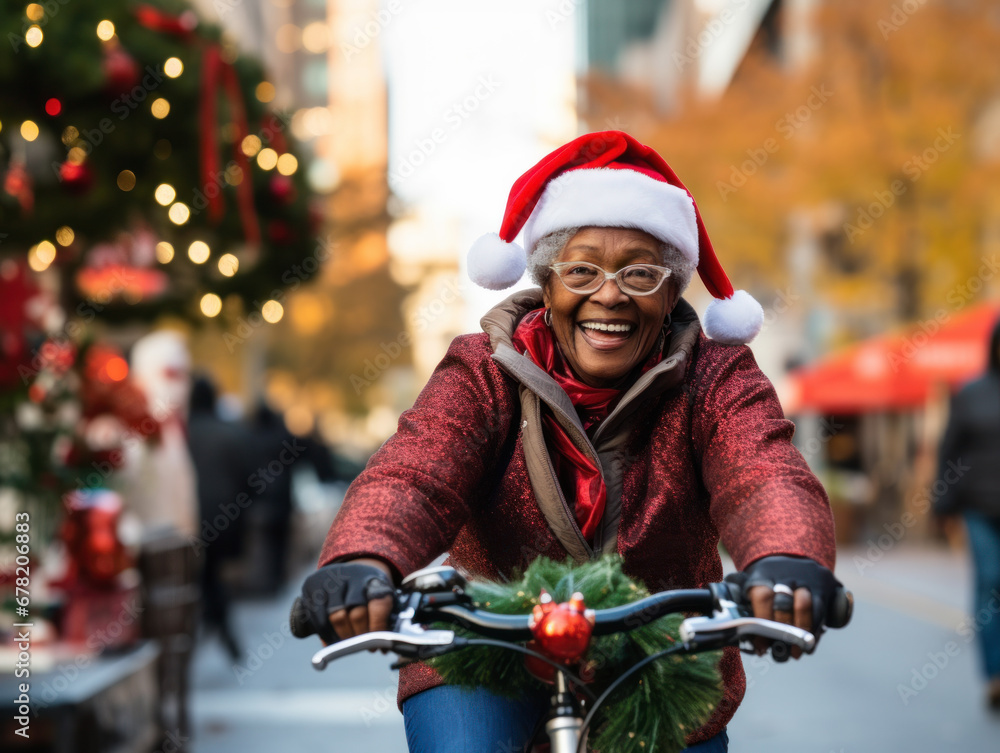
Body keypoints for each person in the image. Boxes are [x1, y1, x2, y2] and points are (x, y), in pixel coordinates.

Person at [299, 131, 840, 751]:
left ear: (672, 292)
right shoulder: (481, 370)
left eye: (640, 273)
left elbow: (762, 472)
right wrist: (362, 560)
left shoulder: (717, 377)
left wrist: (786, 557)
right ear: (547, 285)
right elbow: (416, 473)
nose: (609, 294)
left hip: (661, 657)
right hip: (487, 644)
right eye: (581, 270)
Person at [934, 317, 1000, 711]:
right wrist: (942, 503)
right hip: (979, 506)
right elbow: (949, 451)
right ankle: (994, 675)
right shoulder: (970, 394)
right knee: (990, 583)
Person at [188, 375, 251, 660]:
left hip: (190, 520)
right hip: (226, 520)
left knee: (202, 577)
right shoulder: (232, 433)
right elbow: (251, 479)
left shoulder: (183, 433)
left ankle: (214, 626)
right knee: (212, 576)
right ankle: (220, 627)